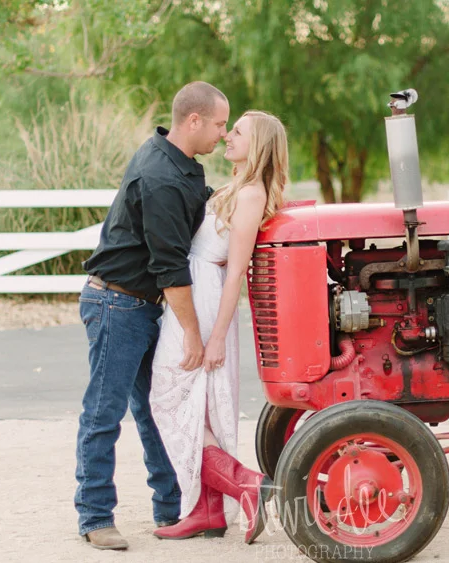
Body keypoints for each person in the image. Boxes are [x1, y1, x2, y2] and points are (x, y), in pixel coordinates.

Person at [74, 81, 230, 550]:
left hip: (139, 306)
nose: (223, 134)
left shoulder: (181, 165)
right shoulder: (160, 177)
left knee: (152, 410)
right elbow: (169, 268)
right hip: (116, 304)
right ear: (194, 120)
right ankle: (95, 515)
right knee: (105, 411)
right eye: (220, 124)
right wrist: (193, 334)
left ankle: (171, 507)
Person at [149, 110, 288, 544]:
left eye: (238, 132)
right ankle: (208, 511)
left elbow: (235, 273)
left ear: (259, 145)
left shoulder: (251, 195)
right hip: (196, 290)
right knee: (194, 404)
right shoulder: (235, 188)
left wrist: (214, 337)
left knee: (167, 396)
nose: (227, 136)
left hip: (209, 299)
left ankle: (246, 483)